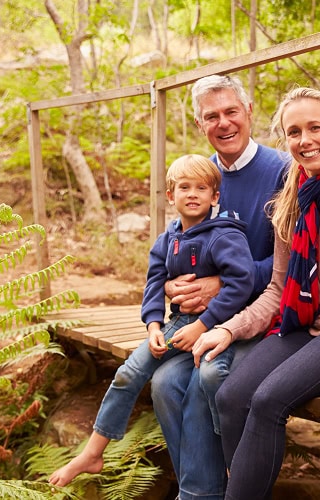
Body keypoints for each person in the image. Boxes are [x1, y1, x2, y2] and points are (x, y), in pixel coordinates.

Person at [190, 86, 320, 500]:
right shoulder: (291, 198)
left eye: (315, 127)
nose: (305, 140)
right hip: (303, 321)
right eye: (294, 132)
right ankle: (249, 487)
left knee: (268, 400)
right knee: (231, 395)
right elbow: (277, 288)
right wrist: (228, 330)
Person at [49, 154, 255, 487]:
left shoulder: (224, 236)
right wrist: (154, 326)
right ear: (170, 196)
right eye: (183, 187)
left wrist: (203, 325)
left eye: (201, 188)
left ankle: (229, 460)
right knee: (128, 372)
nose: (192, 194)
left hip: (219, 329)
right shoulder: (167, 240)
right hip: (176, 327)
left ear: (215, 196)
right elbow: (154, 284)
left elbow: (241, 285)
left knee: (211, 381)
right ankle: (93, 452)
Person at [150, 75, 290, 500]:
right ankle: (205, 489)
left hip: (264, 313)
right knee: (162, 386)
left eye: (232, 111)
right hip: (201, 320)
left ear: (249, 113)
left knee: (210, 374)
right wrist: (175, 282)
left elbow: (292, 263)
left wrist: (224, 283)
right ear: (200, 124)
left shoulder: (283, 170)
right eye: (212, 116)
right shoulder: (200, 176)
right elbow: (177, 249)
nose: (224, 123)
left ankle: (233, 483)